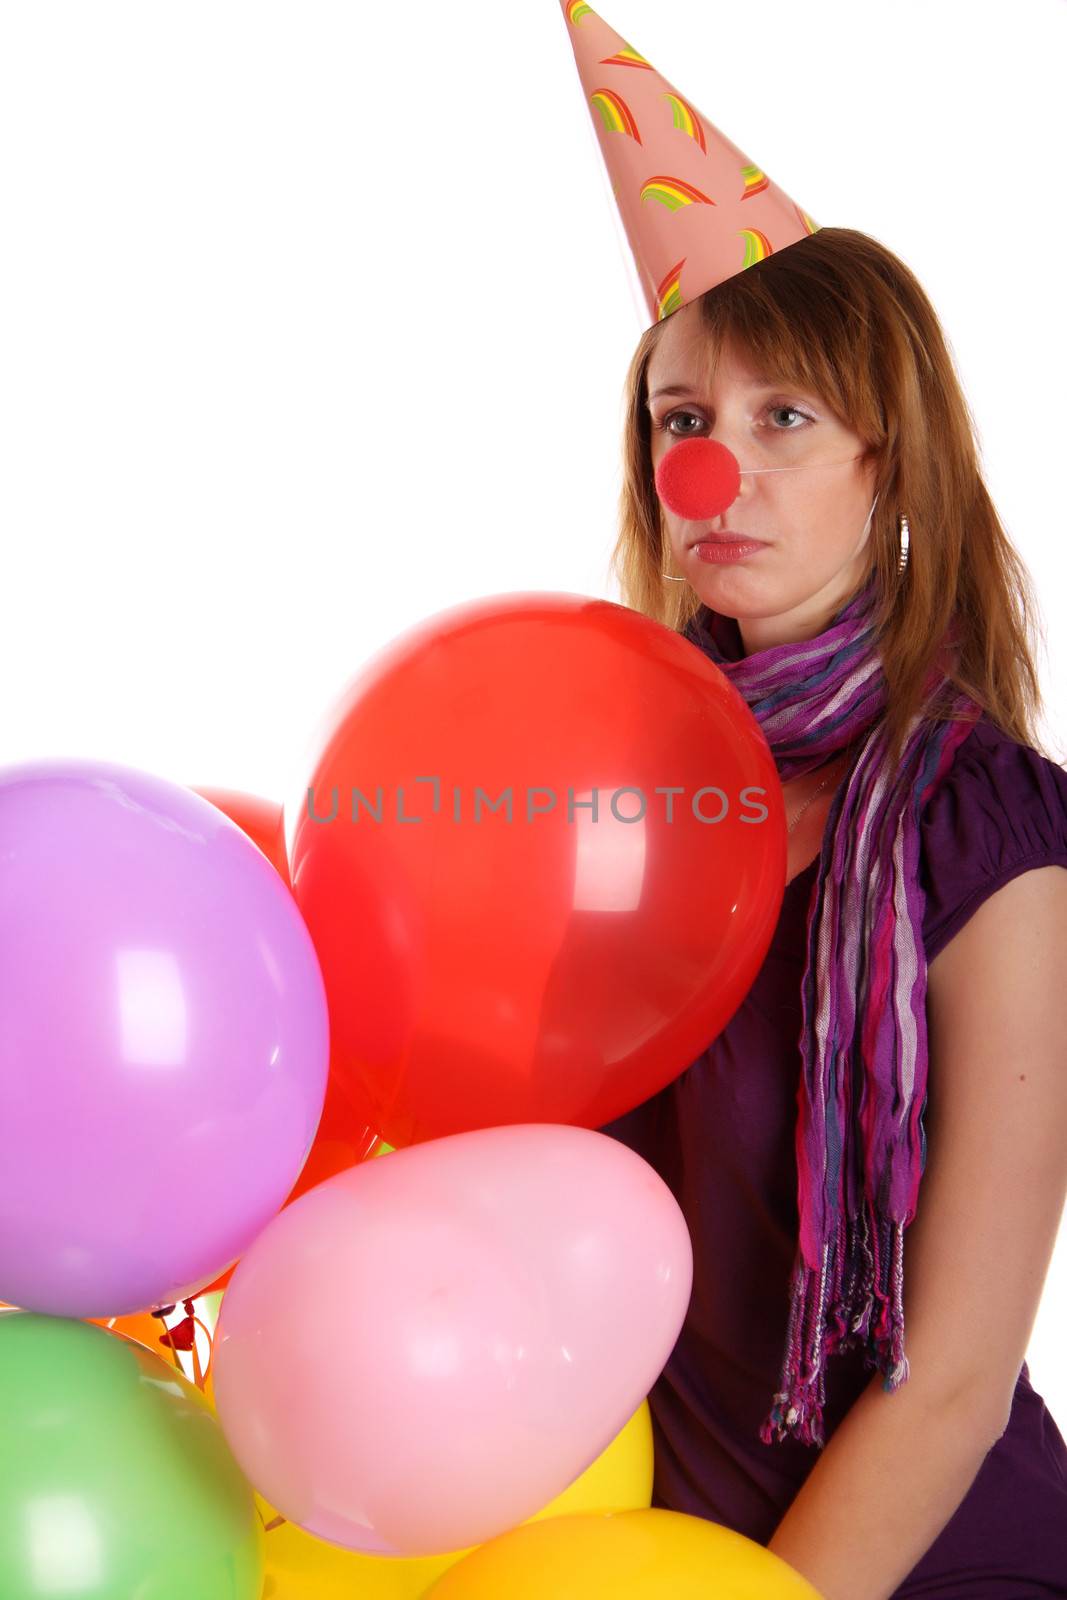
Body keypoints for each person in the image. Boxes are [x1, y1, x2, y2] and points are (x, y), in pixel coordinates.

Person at [558, 4, 1067, 1596]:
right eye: (683, 421)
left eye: (787, 417)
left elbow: (954, 1384)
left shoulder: (992, 835)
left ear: (888, 463)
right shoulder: (609, 818)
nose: (722, 472)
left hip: (912, 1568)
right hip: (618, 1550)